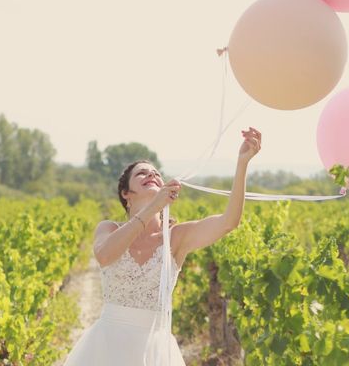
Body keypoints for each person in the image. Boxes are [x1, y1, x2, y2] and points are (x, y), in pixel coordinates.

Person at [63, 127, 262, 365]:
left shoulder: (176, 237)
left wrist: (242, 164)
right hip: (106, 345)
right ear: (126, 193)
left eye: (156, 174)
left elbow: (229, 222)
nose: (152, 175)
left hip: (154, 349)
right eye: (142, 174)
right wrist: (153, 207)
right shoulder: (108, 229)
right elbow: (105, 255)